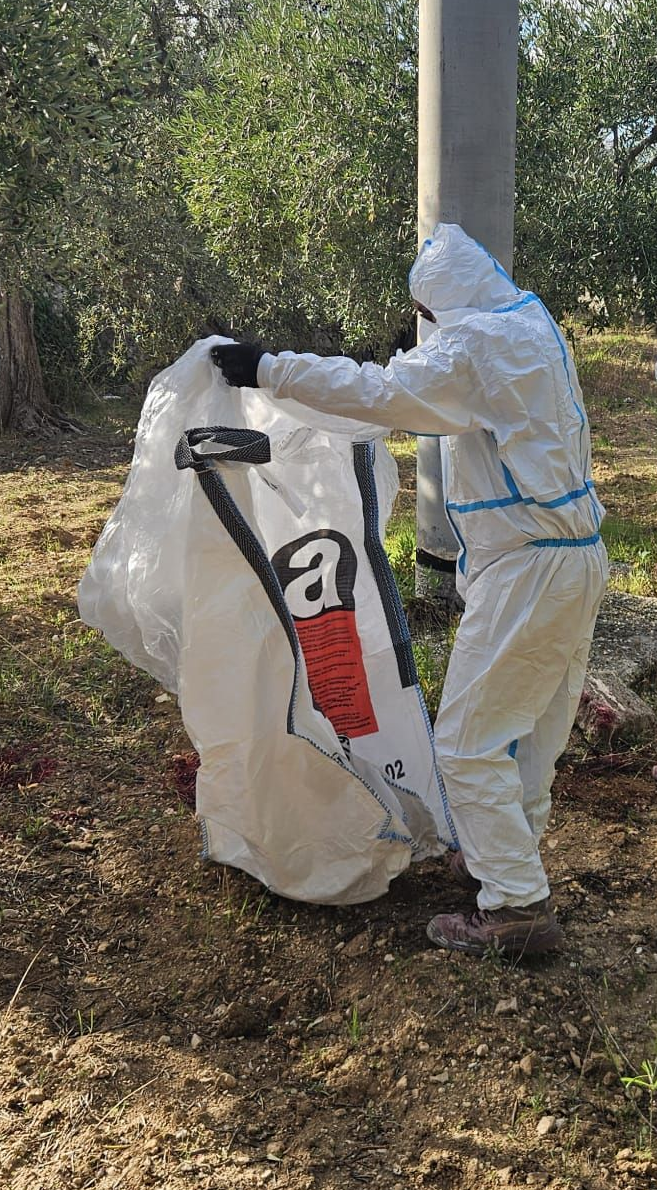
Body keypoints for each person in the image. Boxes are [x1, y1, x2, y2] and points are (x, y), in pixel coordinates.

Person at [211, 223, 608, 957]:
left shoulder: (474, 346)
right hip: (572, 554)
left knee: (467, 744)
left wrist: (269, 368)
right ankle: (499, 863)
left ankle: (516, 912)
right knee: (527, 732)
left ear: (434, 309)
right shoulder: (527, 323)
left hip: (529, 565)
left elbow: (382, 392)